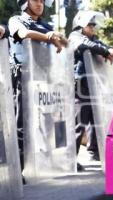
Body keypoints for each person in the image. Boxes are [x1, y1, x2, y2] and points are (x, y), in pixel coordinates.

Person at [8, 0, 67, 177]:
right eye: (36, 0)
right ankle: (17, 171)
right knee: (22, 124)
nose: (40, 3)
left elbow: (65, 41)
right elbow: (23, 33)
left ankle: (52, 161)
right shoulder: (16, 19)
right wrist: (49, 36)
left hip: (45, 79)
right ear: (25, 2)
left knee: (50, 121)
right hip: (24, 77)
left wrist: (57, 36)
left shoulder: (46, 24)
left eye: (43, 1)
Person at [69, 11, 113, 170]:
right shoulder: (75, 36)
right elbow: (83, 45)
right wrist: (105, 51)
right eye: (90, 25)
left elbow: (106, 47)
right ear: (81, 25)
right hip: (79, 85)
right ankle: (70, 160)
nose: (93, 27)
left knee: (96, 121)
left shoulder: (94, 40)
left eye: (94, 25)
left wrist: (109, 48)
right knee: (79, 123)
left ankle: (94, 152)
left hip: (94, 85)